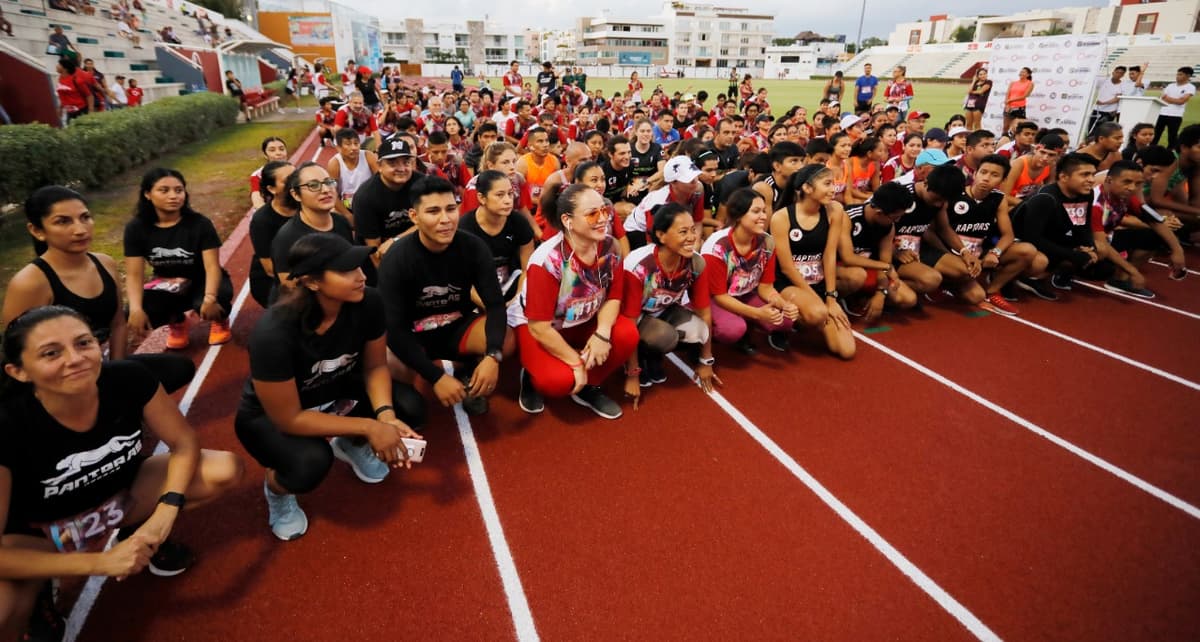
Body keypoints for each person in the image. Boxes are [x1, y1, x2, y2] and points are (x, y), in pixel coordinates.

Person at [0, 306, 241, 640]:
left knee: (222, 469)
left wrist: (165, 511)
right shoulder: (8, 425)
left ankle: (135, 530)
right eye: (51, 353)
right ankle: (42, 593)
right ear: (18, 371)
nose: (76, 359)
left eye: (84, 343)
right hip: (43, 533)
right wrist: (100, 563)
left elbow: (184, 443)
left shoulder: (129, 378)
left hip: (119, 497)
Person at [236, 234, 425, 541]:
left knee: (409, 407)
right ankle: (277, 490)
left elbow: (375, 366)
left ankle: (350, 443)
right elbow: (289, 418)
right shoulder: (273, 332)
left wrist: (385, 416)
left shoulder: (369, 301)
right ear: (312, 282)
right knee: (310, 464)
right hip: (273, 416)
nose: (362, 275)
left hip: (335, 390)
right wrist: (369, 426)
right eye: (347, 270)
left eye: (360, 266)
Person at [2, 186, 196, 392]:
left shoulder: (105, 263)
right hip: (59, 379)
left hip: (96, 365)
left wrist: (115, 372)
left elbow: (118, 324)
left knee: (179, 368)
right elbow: (17, 354)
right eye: (63, 221)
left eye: (85, 217)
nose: (80, 229)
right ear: (37, 231)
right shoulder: (30, 282)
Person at [379, 177, 513, 417]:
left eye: (451, 209)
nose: (445, 219)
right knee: (389, 365)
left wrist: (493, 355)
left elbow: (495, 305)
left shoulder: (474, 247)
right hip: (414, 337)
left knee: (507, 339)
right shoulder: (396, 259)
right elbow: (395, 330)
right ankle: (412, 389)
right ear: (414, 216)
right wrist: (436, 377)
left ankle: (471, 373)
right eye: (433, 211)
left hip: (456, 329)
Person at [508, 184, 639, 419]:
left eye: (605, 211)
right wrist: (576, 364)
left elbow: (614, 296)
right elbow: (539, 327)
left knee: (627, 333)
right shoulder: (547, 261)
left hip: (580, 319)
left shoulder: (611, 247)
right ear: (568, 220)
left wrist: (601, 334)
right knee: (558, 382)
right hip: (540, 327)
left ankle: (589, 385)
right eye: (592, 214)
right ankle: (530, 373)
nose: (603, 219)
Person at [620, 202, 718, 404]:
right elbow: (628, 320)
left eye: (693, 230)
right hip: (633, 316)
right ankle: (638, 357)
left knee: (699, 330)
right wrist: (633, 373)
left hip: (663, 310)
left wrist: (706, 360)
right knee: (665, 337)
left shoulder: (696, 263)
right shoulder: (638, 266)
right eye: (683, 232)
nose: (692, 237)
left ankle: (653, 354)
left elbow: (704, 312)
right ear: (661, 235)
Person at [124, 169, 233, 350]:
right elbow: (134, 274)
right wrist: (136, 309)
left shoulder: (199, 224)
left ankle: (220, 319)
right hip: (168, 283)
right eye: (164, 190)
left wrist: (210, 297)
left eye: (179, 190)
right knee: (137, 308)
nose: (174, 196)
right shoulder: (136, 228)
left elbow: (212, 267)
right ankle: (177, 321)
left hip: (202, 279)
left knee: (212, 301)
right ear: (147, 194)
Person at [931, 154, 1044, 315]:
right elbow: (937, 230)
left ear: (1003, 180)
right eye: (983, 172)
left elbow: (1008, 235)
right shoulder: (954, 194)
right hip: (951, 253)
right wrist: (958, 254)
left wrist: (994, 253)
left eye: (994, 175)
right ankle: (947, 281)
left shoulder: (999, 199)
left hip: (978, 254)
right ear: (975, 173)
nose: (986, 178)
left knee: (1028, 251)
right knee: (975, 295)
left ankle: (993, 290)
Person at [769, 164, 854, 357]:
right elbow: (787, 267)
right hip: (789, 284)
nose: (833, 189)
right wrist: (820, 302)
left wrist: (831, 298)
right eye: (827, 184)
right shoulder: (781, 217)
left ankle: (809, 314)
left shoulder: (835, 210)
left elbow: (829, 255)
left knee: (846, 350)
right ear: (807, 188)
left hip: (819, 282)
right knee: (818, 313)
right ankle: (788, 322)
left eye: (833, 183)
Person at [702, 188, 797, 355]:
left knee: (786, 320)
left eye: (764, 211)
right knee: (732, 330)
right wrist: (757, 313)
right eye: (756, 211)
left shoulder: (767, 242)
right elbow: (719, 296)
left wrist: (784, 304)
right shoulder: (717, 247)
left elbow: (766, 288)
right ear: (738, 216)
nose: (764, 216)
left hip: (744, 293)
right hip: (712, 298)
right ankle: (705, 339)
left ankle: (746, 323)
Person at [1090, 160, 1188, 298]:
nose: (1132, 188)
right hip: (1085, 242)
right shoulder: (1095, 202)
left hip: (1107, 238)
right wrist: (1133, 272)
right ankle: (1064, 272)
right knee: (1102, 268)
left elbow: (1156, 222)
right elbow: (1101, 243)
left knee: (1154, 235)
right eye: (1127, 182)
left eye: (1137, 184)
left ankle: (1120, 281)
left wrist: (1178, 250)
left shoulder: (1127, 198)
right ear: (1109, 180)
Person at [1010, 153, 1099, 295]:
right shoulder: (1046, 198)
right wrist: (1072, 255)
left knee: (1099, 254)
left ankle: (1049, 276)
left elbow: (1084, 225)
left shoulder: (1087, 193)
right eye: (1085, 175)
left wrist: (1090, 247)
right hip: (1020, 241)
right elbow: (1032, 238)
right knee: (1040, 261)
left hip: (1053, 236)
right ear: (1064, 177)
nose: (1091, 180)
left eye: (1093, 175)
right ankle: (1011, 277)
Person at [836, 182, 918, 321]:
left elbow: (885, 261)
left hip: (868, 268)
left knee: (908, 299)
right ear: (879, 212)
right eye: (895, 217)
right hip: (839, 267)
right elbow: (848, 257)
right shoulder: (848, 217)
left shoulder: (888, 226)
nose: (897, 221)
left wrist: (881, 292)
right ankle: (839, 298)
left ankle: (861, 298)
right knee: (857, 276)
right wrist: (886, 267)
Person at [460, 170, 536, 304]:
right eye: (500, 195)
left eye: (510, 194)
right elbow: (463, 280)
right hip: (475, 293)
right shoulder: (465, 228)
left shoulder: (518, 222)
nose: (508, 201)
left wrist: (515, 300)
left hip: (511, 285)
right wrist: (493, 308)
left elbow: (528, 269)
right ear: (482, 198)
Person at [271, 162, 355, 284]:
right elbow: (290, 287)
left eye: (328, 182)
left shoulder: (341, 222)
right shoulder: (287, 239)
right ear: (296, 194)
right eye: (313, 185)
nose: (326, 190)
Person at [351, 136, 419, 253]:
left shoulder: (422, 184)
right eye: (393, 163)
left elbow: (432, 223)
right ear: (379, 166)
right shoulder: (365, 197)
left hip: (412, 244)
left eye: (406, 162)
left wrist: (395, 240)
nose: (401, 168)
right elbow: (375, 249)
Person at [626, 156, 707, 250]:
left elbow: (697, 221)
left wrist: (695, 246)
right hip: (638, 231)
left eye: (695, 175)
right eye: (688, 179)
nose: (695, 181)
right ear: (673, 183)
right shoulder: (658, 202)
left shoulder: (698, 189)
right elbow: (652, 242)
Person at [248, 161, 296, 307]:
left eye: (296, 176)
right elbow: (269, 269)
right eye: (287, 180)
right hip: (271, 279)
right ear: (271, 188)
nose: (295, 183)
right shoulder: (262, 221)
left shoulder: (307, 205)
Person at [327, 128, 378, 225]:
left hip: (369, 203)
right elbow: (332, 193)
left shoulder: (369, 156)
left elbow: (381, 182)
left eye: (356, 143)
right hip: (347, 204)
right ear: (338, 148)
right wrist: (348, 215)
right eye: (348, 144)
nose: (354, 148)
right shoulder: (334, 164)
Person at [1000, 133, 1065, 207]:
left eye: (1051, 155)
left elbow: (1048, 194)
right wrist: (1030, 204)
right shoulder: (1019, 164)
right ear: (1036, 149)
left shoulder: (1051, 166)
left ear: (1058, 157)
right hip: (1007, 204)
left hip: (1026, 202)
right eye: (1042, 152)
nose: (1045, 158)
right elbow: (1003, 196)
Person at [1152, 67, 1195, 150]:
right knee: (1156, 134)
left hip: (1176, 115)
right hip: (1162, 113)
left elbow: (1181, 101)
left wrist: (1168, 98)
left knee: (1172, 136)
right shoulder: (1170, 85)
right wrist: (1173, 100)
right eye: (1177, 74)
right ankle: (1151, 151)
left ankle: (1171, 154)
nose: (1177, 76)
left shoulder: (1190, 87)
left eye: (1180, 74)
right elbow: (1161, 98)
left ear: (1188, 76)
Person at [250, 137, 289, 210]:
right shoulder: (258, 175)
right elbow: (257, 200)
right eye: (272, 150)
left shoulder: (296, 172)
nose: (278, 153)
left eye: (281, 149)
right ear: (265, 155)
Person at [1090, 66, 1127, 133]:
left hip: (1109, 112)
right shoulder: (1104, 80)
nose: (1118, 74)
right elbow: (1092, 81)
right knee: (1091, 129)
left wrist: (1103, 103)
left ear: (1123, 75)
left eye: (1121, 73)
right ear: (1113, 72)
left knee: (1104, 132)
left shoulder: (1123, 85)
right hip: (1097, 109)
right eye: (1117, 72)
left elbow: (1117, 99)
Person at [1003, 68, 1034, 137]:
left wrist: (1011, 100)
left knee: (1017, 127)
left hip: (1019, 108)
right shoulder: (1013, 83)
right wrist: (1007, 104)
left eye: (1024, 72)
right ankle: (1003, 141)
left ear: (1028, 74)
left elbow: (1025, 96)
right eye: (1021, 72)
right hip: (1009, 107)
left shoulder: (1030, 83)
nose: (1022, 73)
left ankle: (1015, 142)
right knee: (1005, 126)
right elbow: (1008, 94)